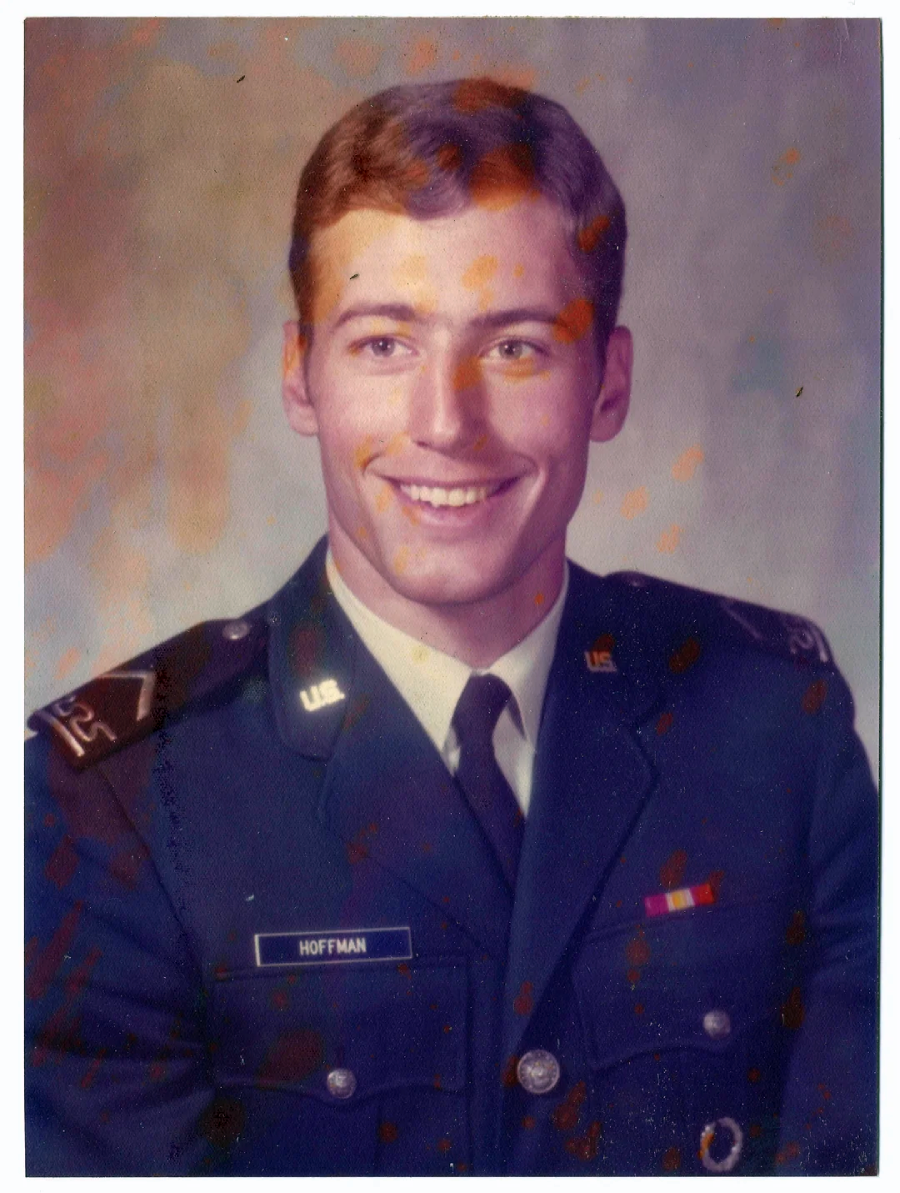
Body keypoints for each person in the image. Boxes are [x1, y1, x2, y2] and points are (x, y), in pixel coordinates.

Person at [24, 77, 878, 1176]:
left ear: (608, 385)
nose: (447, 423)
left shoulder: (777, 725)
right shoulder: (113, 804)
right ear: (301, 375)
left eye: (516, 346)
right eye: (385, 344)